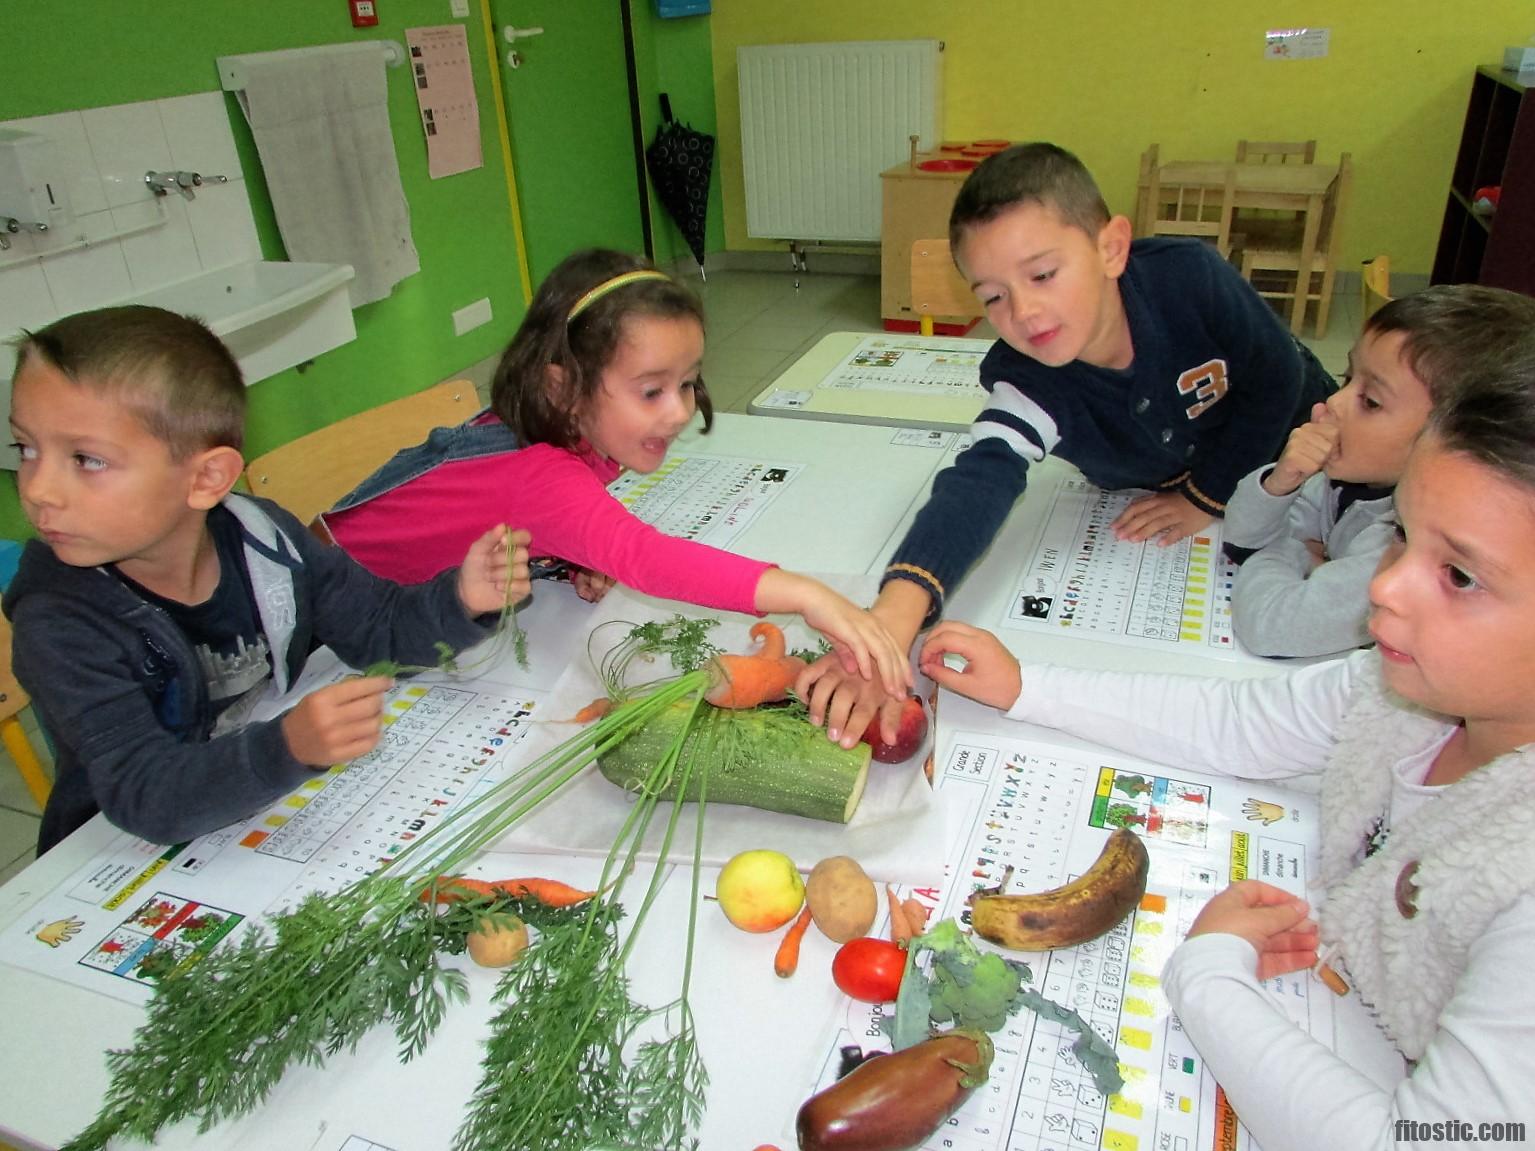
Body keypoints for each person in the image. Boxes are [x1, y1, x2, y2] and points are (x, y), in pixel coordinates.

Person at [914, 330, 1535, 1147]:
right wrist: (1029, 686)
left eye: (1456, 574)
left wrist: (1206, 974)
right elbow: (1239, 725)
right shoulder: (1404, 689)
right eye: (1399, 536)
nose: (1383, 585)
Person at [800, 142, 1333, 746]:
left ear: (1110, 248)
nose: (1024, 311)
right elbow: (980, 480)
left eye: (1043, 274)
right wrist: (893, 619)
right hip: (1176, 497)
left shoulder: (1190, 277)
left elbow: (1276, 378)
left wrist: (1207, 496)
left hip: (1305, 450)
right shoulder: (1027, 376)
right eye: (993, 296)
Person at [4, 305, 532, 854]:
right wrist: (287, 748)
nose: (38, 488)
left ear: (208, 478)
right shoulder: (59, 619)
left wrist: (462, 599)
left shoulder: (264, 539)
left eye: (85, 459)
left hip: (250, 803)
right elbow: (145, 791)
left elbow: (377, 625)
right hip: (125, 848)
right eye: (27, 448)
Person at [322, 248, 910, 696]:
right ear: (562, 388)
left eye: (686, 384)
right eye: (651, 391)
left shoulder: (559, 428)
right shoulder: (540, 475)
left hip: (405, 601)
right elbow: (644, 557)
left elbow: (501, 518)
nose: (680, 411)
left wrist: (568, 551)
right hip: (329, 627)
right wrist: (805, 594)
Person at [1226, 285, 1535, 659]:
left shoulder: (1404, 543)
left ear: (1453, 436)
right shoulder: (1347, 476)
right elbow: (1241, 535)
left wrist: (1291, 554)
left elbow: (1273, 626)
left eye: (1370, 402)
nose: (1332, 404)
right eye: (1346, 377)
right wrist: (1280, 483)